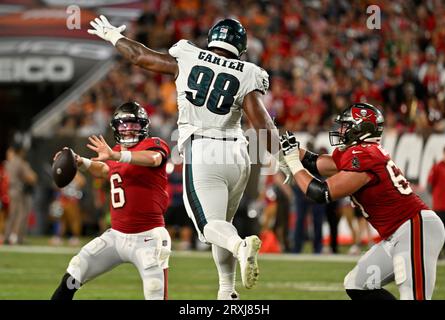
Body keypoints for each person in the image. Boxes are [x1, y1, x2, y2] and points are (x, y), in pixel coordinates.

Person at [87, 15, 291, 299]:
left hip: (204, 150)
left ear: (212, 39)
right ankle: (227, 291)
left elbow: (140, 57)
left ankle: (240, 246)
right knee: (222, 224)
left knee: (210, 228)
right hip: (238, 153)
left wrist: (112, 36)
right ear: (240, 47)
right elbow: (262, 124)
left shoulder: (188, 55)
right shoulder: (248, 72)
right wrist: (283, 159)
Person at [280, 102, 445, 300]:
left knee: (413, 296)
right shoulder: (359, 152)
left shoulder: (364, 155)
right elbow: (316, 163)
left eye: (347, 126)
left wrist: (292, 163)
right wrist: (291, 150)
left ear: (362, 129)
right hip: (396, 234)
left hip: (414, 227)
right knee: (357, 285)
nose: (341, 131)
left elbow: (320, 192)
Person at [51, 102, 172, 300]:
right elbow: (105, 169)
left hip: (148, 238)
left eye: (133, 124)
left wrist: (116, 155)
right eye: (124, 125)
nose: (128, 130)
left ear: (144, 126)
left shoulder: (153, 144)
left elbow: (153, 160)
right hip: (116, 237)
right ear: (116, 128)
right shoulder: (116, 152)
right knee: (76, 269)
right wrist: (81, 161)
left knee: (155, 290)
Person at [3, 143, 37, 245]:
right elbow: (30, 178)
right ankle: (17, 238)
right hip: (18, 190)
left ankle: (7, 236)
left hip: (10, 189)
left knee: (12, 215)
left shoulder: (9, 162)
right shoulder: (19, 162)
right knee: (21, 214)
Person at [427, 144, 445, 259]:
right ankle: (437, 253)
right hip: (440, 205)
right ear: (444, 153)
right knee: (439, 231)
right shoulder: (437, 167)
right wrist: (438, 196)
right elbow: (430, 185)